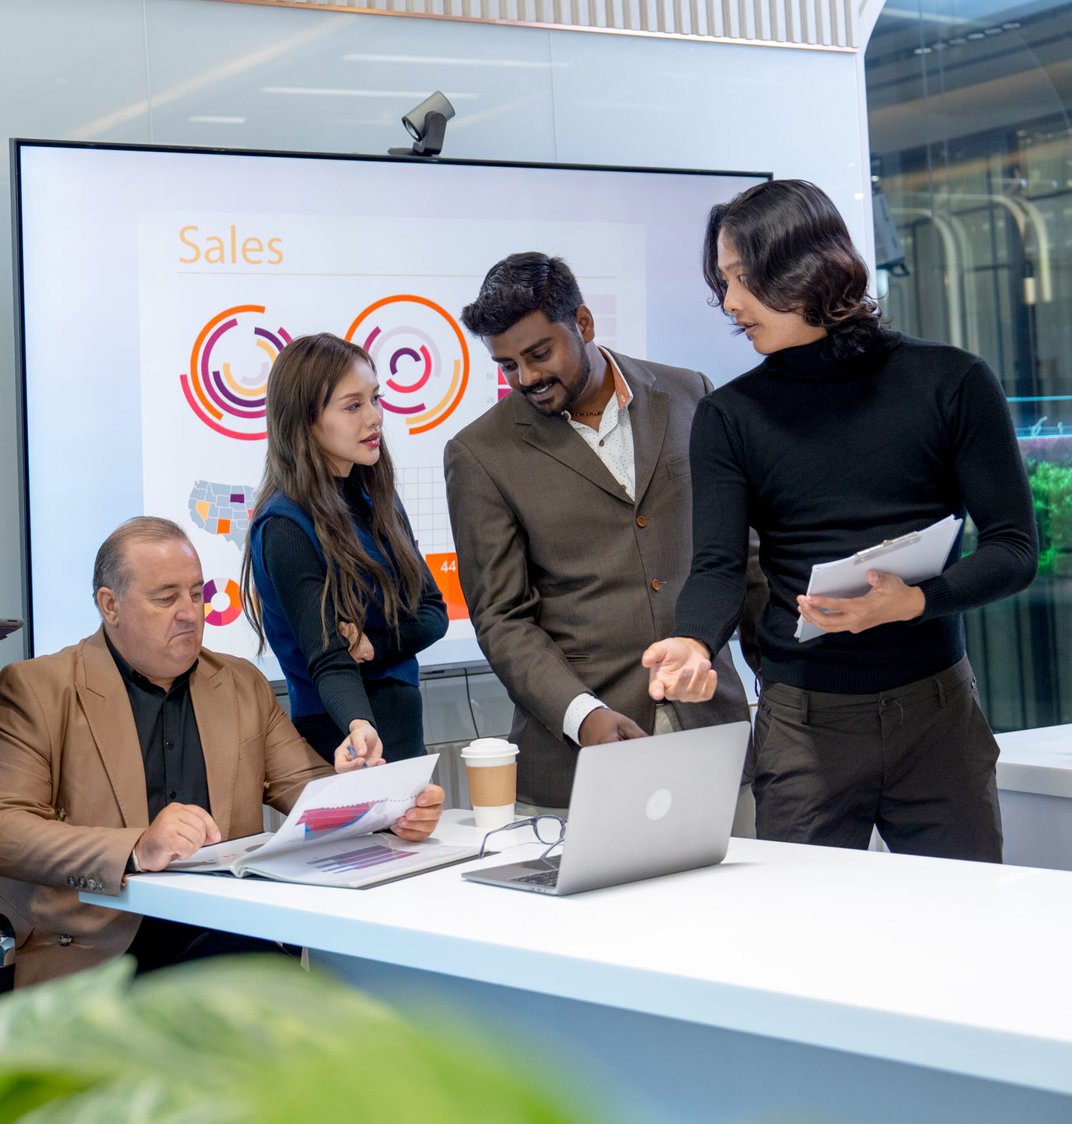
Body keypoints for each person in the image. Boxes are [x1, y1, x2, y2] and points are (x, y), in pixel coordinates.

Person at [643, 179, 1037, 862]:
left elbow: (1014, 547)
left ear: (804, 268)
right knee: (808, 947)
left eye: (743, 278)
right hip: (804, 723)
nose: (730, 303)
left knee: (964, 932)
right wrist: (694, 642)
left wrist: (917, 601)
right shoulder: (730, 417)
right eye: (723, 281)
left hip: (938, 713)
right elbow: (717, 566)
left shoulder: (952, 381)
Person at [0, 516, 445, 1008]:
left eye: (197, 593)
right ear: (110, 606)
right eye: (166, 598)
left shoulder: (239, 683)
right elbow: (3, 833)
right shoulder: (39, 688)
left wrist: (385, 807)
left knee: (312, 1004)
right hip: (89, 953)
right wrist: (139, 847)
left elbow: (308, 790)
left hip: (215, 932)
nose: (189, 612)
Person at [445, 252, 758, 821]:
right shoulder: (479, 454)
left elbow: (742, 554)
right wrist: (582, 715)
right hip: (580, 762)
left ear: (583, 324)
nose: (528, 378)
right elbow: (501, 617)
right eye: (508, 365)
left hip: (715, 734)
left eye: (539, 353)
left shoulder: (691, 394)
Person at [241, 332, 448, 764]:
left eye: (376, 399)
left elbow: (433, 614)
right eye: (353, 406)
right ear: (304, 419)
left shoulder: (379, 498)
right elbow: (328, 658)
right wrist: (357, 724)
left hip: (403, 734)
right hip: (344, 745)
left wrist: (372, 644)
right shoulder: (285, 526)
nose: (374, 418)